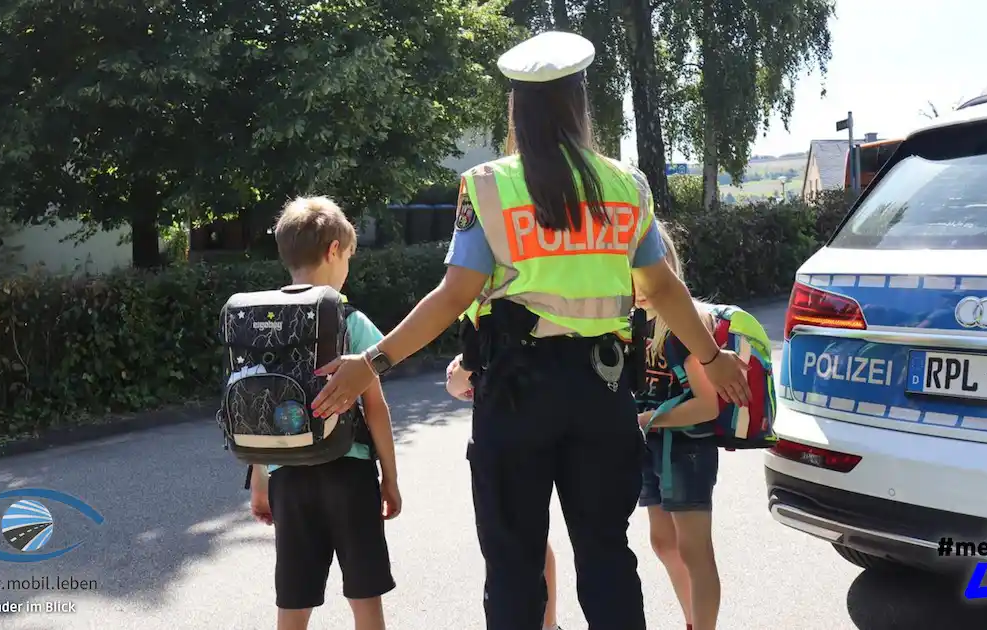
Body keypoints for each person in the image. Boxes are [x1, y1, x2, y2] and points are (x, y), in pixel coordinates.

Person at [308, 30, 751, 630]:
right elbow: (665, 289)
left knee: (513, 565)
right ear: (579, 105)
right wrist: (714, 356)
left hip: (514, 394)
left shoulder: (487, 186)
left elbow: (453, 297)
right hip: (602, 392)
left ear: (516, 109)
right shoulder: (627, 187)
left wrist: (373, 362)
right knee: (607, 557)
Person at [248, 196, 403, 630]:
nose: (348, 266)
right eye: (348, 256)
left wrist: (260, 480)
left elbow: (258, 410)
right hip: (348, 472)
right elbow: (375, 407)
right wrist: (389, 478)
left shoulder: (261, 323)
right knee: (364, 597)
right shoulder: (348, 320)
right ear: (334, 250)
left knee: (293, 603)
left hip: (288, 476)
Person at [633, 222, 721, 630]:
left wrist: (651, 418)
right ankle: (691, 620)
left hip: (686, 449)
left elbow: (707, 406)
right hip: (652, 445)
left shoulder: (688, 323)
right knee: (663, 542)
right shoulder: (635, 323)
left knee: (694, 550)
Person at [446, 353, 564, 630]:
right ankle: (549, 623)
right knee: (522, 544)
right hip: (500, 443)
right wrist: (469, 362)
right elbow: (453, 385)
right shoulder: (485, 336)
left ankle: (549, 624)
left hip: (532, 438)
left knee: (529, 542)